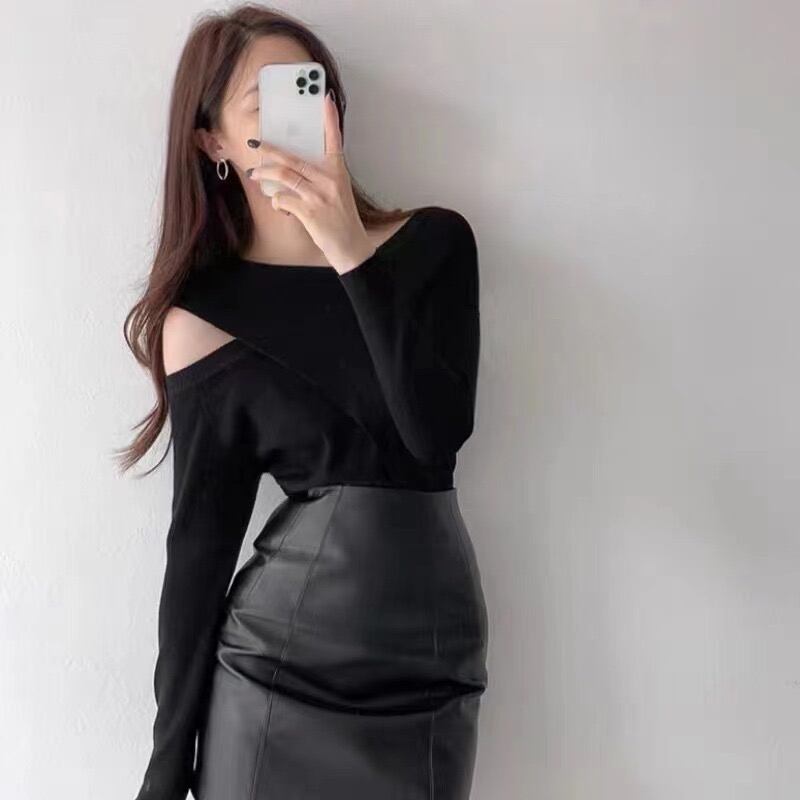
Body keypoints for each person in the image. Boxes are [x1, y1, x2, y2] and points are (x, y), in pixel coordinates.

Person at [119, 6, 488, 799]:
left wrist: (348, 247)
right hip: (276, 671)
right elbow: (198, 553)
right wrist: (164, 773)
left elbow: (435, 436)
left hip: (429, 665)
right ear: (212, 142)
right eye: (269, 100)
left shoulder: (434, 245)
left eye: (311, 90)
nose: (302, 114)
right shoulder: (204, 321)